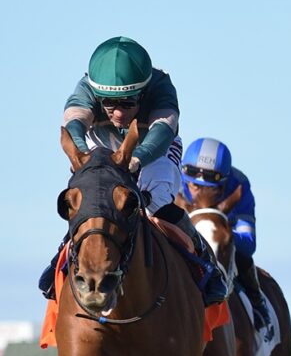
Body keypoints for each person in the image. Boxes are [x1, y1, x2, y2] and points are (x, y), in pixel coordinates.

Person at [41, 36, 228, 306]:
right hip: (102, 142)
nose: (118, 113)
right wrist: (82, 156)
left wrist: (136, 160)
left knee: (156, 200)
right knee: (93, 198)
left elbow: (162, 132)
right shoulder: (85, 88)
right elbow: (74, 124)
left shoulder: (161, 86)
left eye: (128, 103)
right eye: (108, 103)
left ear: (143, 92)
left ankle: (203, 258)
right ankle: (61, 257)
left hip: (154, 145)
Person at [179, 137, 274, 340]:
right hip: (184, 232)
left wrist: (223, 234)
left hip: (224, 235)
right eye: (193, 184)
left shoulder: (239, 185)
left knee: (243, 254)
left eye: (208, 185)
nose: (197, 190)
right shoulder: (174, 178)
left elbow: (248, 243)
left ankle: (258, 304)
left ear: (223, 183)